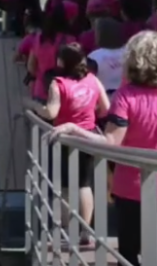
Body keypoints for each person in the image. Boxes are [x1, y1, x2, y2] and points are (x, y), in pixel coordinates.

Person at [50, 31, 157, 266]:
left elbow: (110, 142)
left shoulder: (126, 96)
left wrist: (75, 129)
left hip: (131, 189)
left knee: (129, 253)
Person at [30, 43, 109, 250]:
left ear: (62, 62)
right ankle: (86, 232)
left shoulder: (58, 83)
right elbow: (106, 107)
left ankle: (66, 229)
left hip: (64, 138)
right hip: (87, 136)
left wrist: (37, 108)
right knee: (84, 184)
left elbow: (52, 113)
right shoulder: (93, 79)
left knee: (64, 185)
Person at [26, 2, 75, 104]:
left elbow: (31, 67)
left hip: (41, 90)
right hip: (63, 94)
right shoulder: (71, 41)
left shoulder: (40, 38)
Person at [87, 17, 127, 94]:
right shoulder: (128, 52)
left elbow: (89, 82)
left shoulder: (94, 57)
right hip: (125, 96)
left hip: (103, 98)